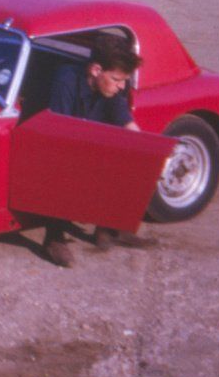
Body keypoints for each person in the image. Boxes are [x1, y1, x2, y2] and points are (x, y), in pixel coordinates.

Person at [41, 39, 154, 267]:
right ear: (95, 70)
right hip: (61, 141)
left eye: (124, 80)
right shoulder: (66, 81)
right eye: (116, 79)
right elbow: (58, 129)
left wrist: (135, 133)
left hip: (89, 139)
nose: (121, 86)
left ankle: (109, 229)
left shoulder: (113, 87)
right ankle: (53, 236)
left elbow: (119, 109)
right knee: (61, 164)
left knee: (128, 150)